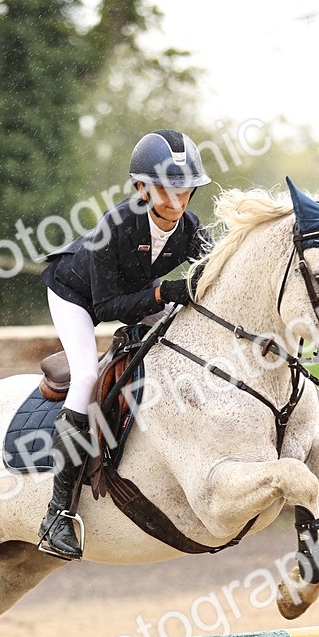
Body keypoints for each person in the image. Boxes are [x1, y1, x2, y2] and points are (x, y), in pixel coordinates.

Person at [38, 128, 214, 561]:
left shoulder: (190, 228)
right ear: (141, 188)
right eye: (167, 190)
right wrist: (165, 293)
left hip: (133, 291)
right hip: (76, 296)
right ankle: (58, 513)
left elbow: (216, 271)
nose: (177, 201)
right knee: (85, 377)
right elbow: (110, 304)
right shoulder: (114, 227)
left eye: (185, 190)